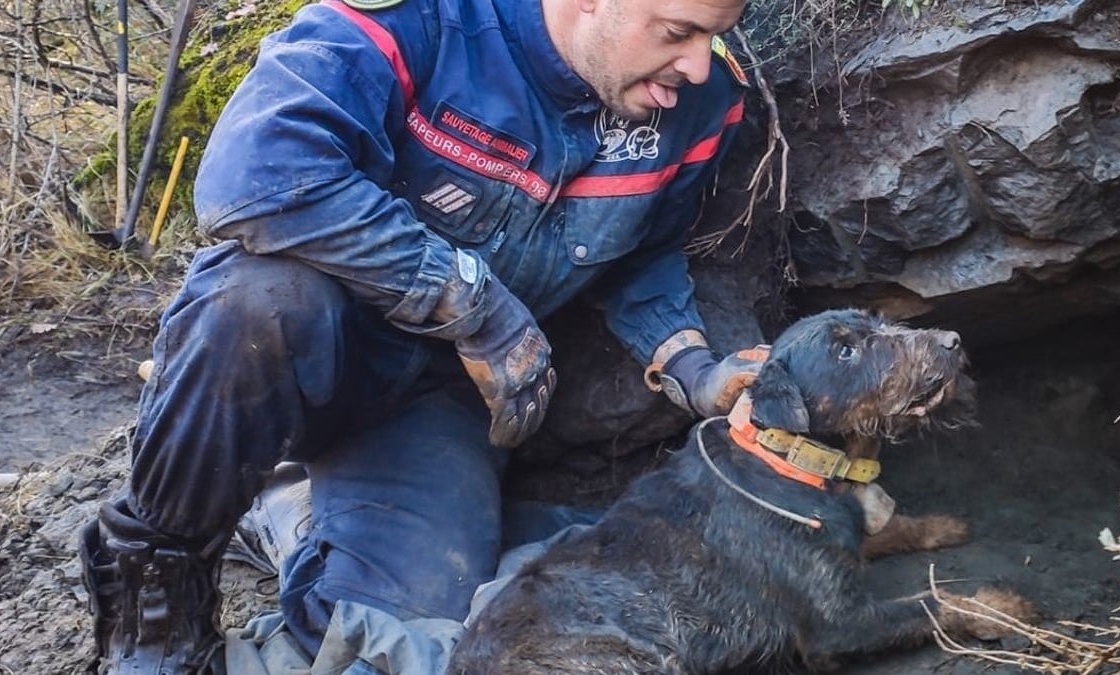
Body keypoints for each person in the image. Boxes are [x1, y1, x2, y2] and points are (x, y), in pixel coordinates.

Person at [79, 0, 765, 671]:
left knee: (401, 632)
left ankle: (287, 509)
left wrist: (697, 369)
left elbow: (646, 256)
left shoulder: (701, 106)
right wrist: (472, 300)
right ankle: (153, 586)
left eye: (715, 35)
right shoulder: (420, 22)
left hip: (436, 396)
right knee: (255, 304)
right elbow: (253, 173)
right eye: (679, 32)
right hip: (305, 339)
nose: (699, 64)